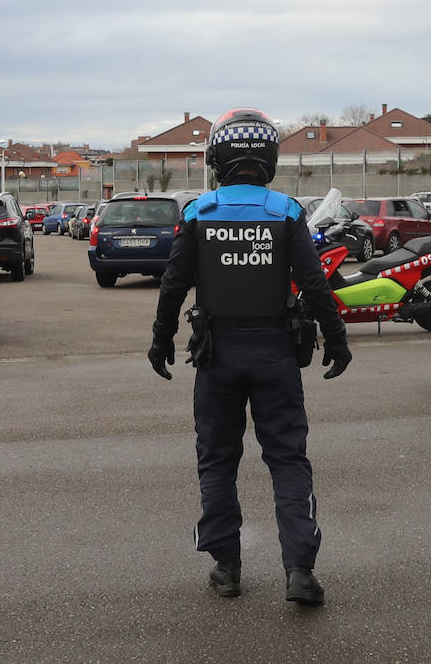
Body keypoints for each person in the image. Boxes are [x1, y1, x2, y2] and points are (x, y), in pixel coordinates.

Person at [149, 107, 352, 606]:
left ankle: (227, 567)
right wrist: (337, 339)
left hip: (216, 356)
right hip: (276, 355)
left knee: (217, 460)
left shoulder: (199, 212)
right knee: (287, 459)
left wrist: (160, 340)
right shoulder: (286, 212)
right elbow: (314, 284)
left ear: (216, 158)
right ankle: (300, 571)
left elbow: (173, 285)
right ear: (270, 159)